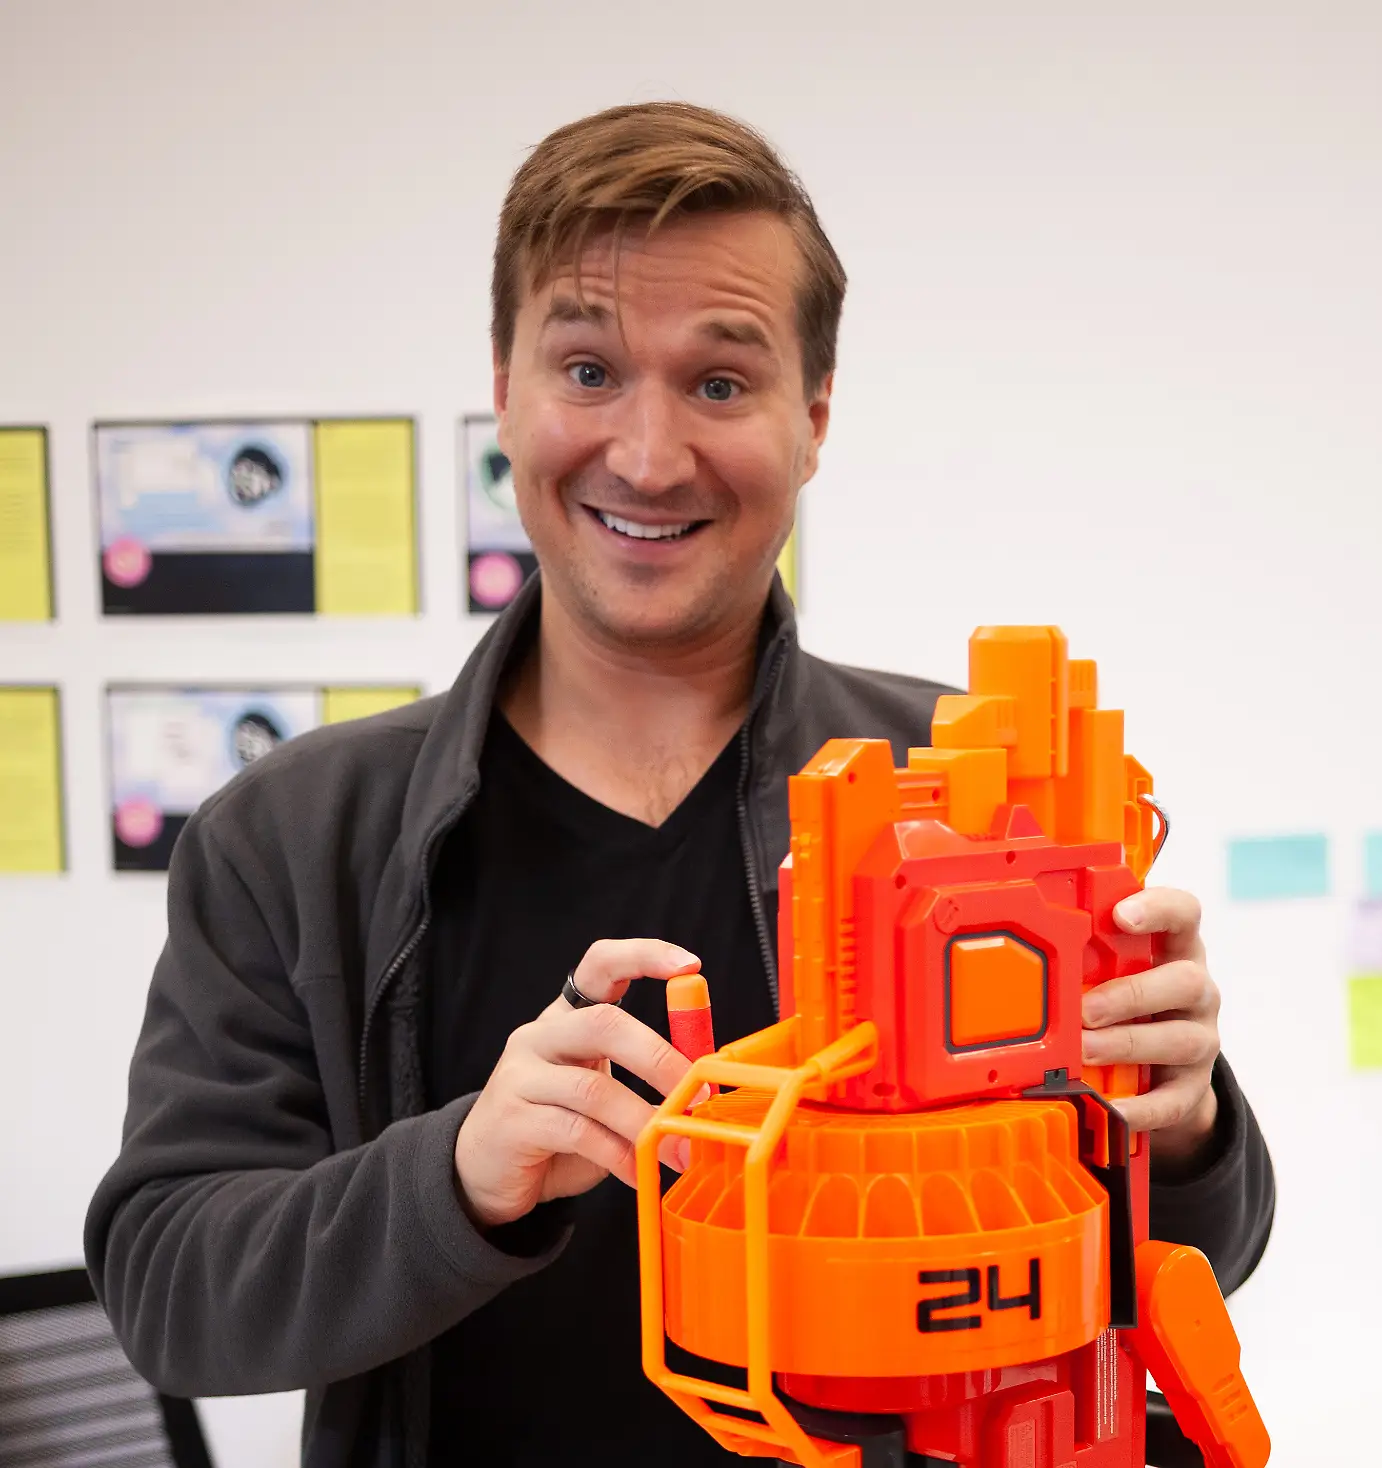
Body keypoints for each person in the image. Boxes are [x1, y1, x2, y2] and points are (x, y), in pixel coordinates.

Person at [85, 102, 1276, 1468]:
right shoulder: (291, 838)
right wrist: (463, 1173)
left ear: (813, 418)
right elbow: (171, 1293)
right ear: (505, 390)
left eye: (719, 383)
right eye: (588, 370)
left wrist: (1180, 1135)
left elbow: (1189, 1260)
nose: (648, 457)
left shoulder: (972, 793)